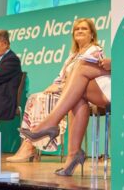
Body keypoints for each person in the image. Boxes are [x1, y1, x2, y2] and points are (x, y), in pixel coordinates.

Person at [7, 18, 106, 163]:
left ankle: (32, 144)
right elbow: (60, 77)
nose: (79, 31)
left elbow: (90, 79)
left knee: (43, 99)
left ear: (92, 34)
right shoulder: (72, 55)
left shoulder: (95, 51)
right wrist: (53, 87)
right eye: (77, 29)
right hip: (66, 92)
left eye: (84, 29)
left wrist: (59, 87)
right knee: (36, 97)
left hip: (84, 94)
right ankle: (29, 145)